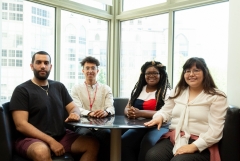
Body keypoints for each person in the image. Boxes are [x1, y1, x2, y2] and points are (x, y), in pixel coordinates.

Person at [9, 51, 99, 161]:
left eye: (46, 63)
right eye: (39, 62)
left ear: (50, 67)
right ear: (32, 66)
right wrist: (51, 141)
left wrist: (75, 113)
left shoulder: (59, 87)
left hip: (61, 135)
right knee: (41, 152)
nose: (43, 66)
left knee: (92, 144)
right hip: (31, 139)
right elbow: (21, 125)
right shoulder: (22, 90)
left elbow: (73, 107)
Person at [144, 57, 228, 161]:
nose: (191, 74)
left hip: (201, 142)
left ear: (205, 72)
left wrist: (193, 146)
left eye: (196, 70)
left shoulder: (217, 96)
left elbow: (215, 131)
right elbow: (166, 110)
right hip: (175, 138)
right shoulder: (178, 90)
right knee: (153, 156)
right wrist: (160, 117)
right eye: (187, 71)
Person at [121, 60, 171, 161]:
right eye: (148, 73)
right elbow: (126, 108)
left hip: (159, 127)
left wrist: (140, 113)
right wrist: (129, 112)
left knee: (147, 143)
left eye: (155, 73)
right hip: (139, 126)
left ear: (161, 74)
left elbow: (167, 113)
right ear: (143, 75)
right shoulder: (138, 90)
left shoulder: (166, 91)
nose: (151, 75)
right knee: (124, 141)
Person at [71, 56, 114, 161]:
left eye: (93, 68)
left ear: (97, 70)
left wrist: (105, 112)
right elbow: (76, 108)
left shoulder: (106, 88)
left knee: (106, 135)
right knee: (86, 135)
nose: (90, 71)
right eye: (87, 68)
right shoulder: (76, 88)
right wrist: (90, 113)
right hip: (82, 124)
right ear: (83, 70)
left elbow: (111, 107)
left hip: (102, 125)